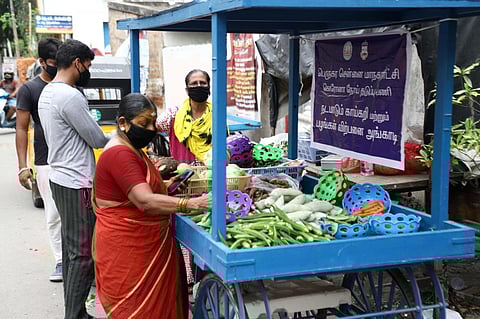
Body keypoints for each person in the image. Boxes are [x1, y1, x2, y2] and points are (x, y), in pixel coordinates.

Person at [93, 93, 209, 318]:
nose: (151, 129)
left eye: (153, 122)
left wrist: (168, 185)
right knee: (138, 309)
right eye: (143, 123)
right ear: (123, 123)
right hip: (129, 247)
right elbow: (144, 200)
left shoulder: (131, 148)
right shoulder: (119, 153)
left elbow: (137, 187)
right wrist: (191, 203)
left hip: (145, 244)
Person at [38, 39, 109, 319]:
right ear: (77, 62)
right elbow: (95, 137)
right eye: (87, 65)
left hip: (59, 177)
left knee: (71, 252)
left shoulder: (48, 91)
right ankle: (76, 315)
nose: (87, 71)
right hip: (76, 181)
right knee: (82, 254)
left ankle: (75, 312)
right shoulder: (70, 96)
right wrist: (121, 137)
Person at [15, 37, 63, 282]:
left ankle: (80, 259)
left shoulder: (69, 86)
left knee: (78, 213)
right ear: (42, 62)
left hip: (70, 160)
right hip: (44, 160)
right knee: (53, 213)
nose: (57, 67)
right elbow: (21, 128)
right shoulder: (29, 89)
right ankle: (60, 261)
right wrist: (23, 167)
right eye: (53, 63)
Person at [156, 69, 213, 163]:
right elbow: (151, 128)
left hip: (211, 173)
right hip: (183, 174)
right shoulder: (173, 115)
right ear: (187, 90)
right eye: (194, 83)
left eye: (202, 83)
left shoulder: (217, 114)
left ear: (209, 87)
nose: (198, 86)